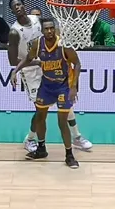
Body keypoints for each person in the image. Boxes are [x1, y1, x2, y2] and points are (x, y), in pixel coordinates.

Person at [6, 0, 91, 153]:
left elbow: (54, 35)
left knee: (65, 103)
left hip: (48, 65)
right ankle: (30, 139)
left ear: (24, 6)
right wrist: (34, 63)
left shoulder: (36, 20)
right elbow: (13, 60)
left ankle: (76, 136)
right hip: (30, 70)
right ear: (11, 11)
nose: (17, 7)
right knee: (40, 111)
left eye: (19, 4)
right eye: (14, 6)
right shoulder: (14, 31)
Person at [11, 16, 83, 168]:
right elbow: (28, 59)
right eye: (46, 29)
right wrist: (15, 71)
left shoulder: (64, 45)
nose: (49, 31)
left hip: (63, 86)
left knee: (62, 121)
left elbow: (77, 63)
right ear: (42, 31)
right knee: (39, 117)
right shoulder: (38, 44)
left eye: (52, 28)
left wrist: (74, 86)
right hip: (46, 86)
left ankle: (69, 155)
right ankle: (41, 148)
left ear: (55, 29)